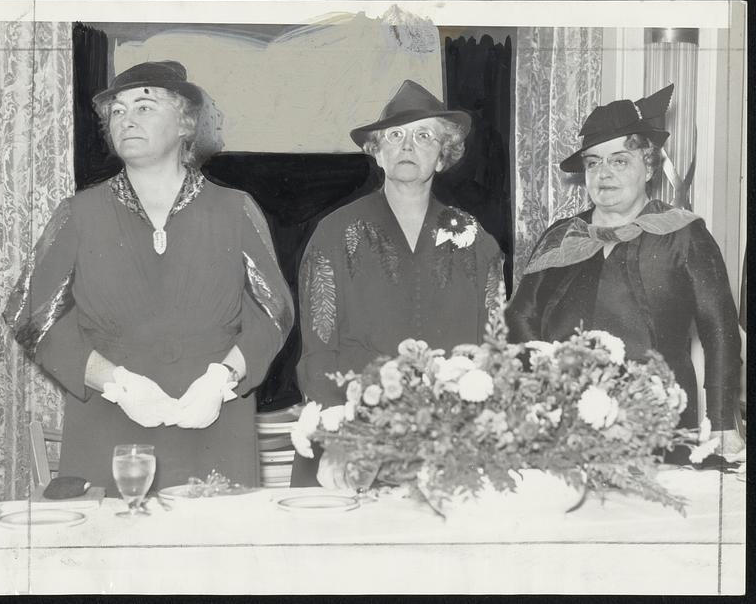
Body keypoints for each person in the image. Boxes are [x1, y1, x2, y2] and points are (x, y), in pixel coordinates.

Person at [4, 61, 294, 492]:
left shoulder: (235, 209)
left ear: (185, 122)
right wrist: (116, 384)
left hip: (212, 421)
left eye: (144, 106)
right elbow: (31, 314)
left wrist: (223, 379)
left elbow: (273, 311)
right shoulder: (79, 213)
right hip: (110, 425)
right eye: (117, 111)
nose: (126, 119)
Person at [505, 84, 744, 457]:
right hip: (565, 422)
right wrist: (537, 392)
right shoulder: (562, 235)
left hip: (661, 420)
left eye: (619, 160)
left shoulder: (683, 233)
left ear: (648, 166)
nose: (604, 174)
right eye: (593, 162)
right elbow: (520, 318)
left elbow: (721, 331)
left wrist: (723, 423)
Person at [291, 80, 506, 486]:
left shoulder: (477, 242)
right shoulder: (334, 233)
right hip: (354, 437)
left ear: (443, 157)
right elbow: (318, 350)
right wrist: (341, 431)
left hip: (447, 443)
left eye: (424, 136)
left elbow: (494, 352)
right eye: (396, 135)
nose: (408, 146)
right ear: (377, 151)